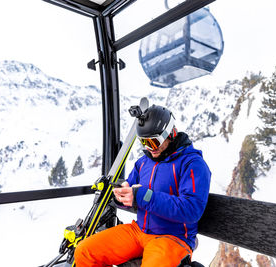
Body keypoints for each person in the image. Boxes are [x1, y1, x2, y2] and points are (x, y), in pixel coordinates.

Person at [74, 104, 211, 267]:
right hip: (139, 231)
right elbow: (132, 192)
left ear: (171, 133)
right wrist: (120, 195)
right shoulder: (144, 163)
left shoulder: (193, 164)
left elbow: (191, 210)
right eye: (144, 142)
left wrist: (141, 196)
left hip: (173, 238)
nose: (149, 148)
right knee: (85, 252)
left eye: (154, 142)